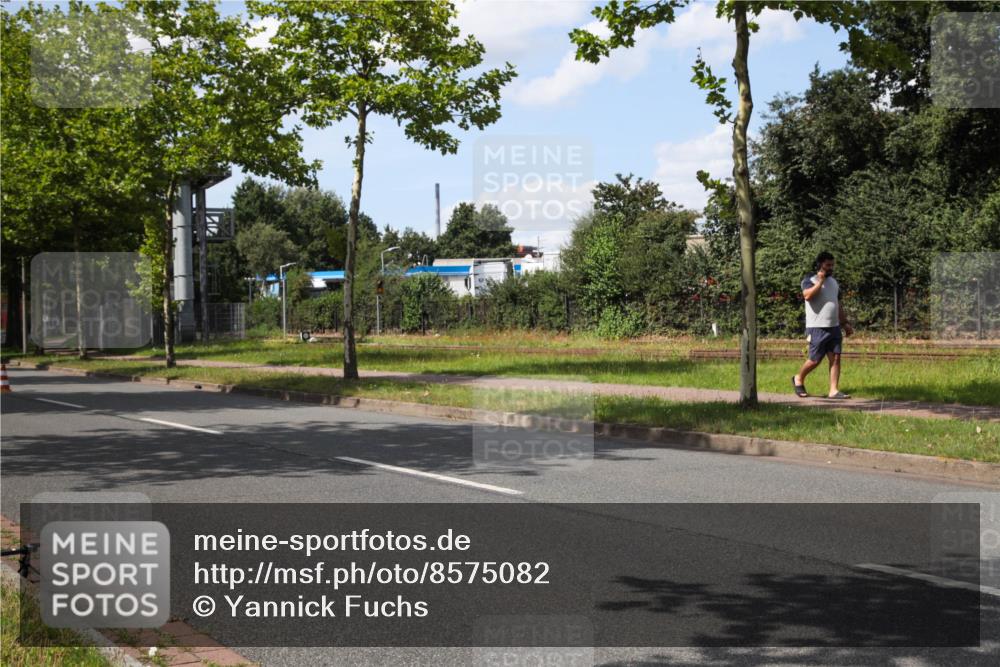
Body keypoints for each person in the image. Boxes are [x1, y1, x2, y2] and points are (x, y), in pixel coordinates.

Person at [792, 251, 853, 399]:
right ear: (820, 264)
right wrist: (820, 281)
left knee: (836, 358)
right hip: (817, 327)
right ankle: (798, 378)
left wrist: (845, 324)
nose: (831, 268)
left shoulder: (834, 283)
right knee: (814, 360)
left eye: (832, 265)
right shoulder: (809, 279)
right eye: (827, 265)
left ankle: (833, 390)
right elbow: (807, 296)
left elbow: (837, 304)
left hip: (834, 327)